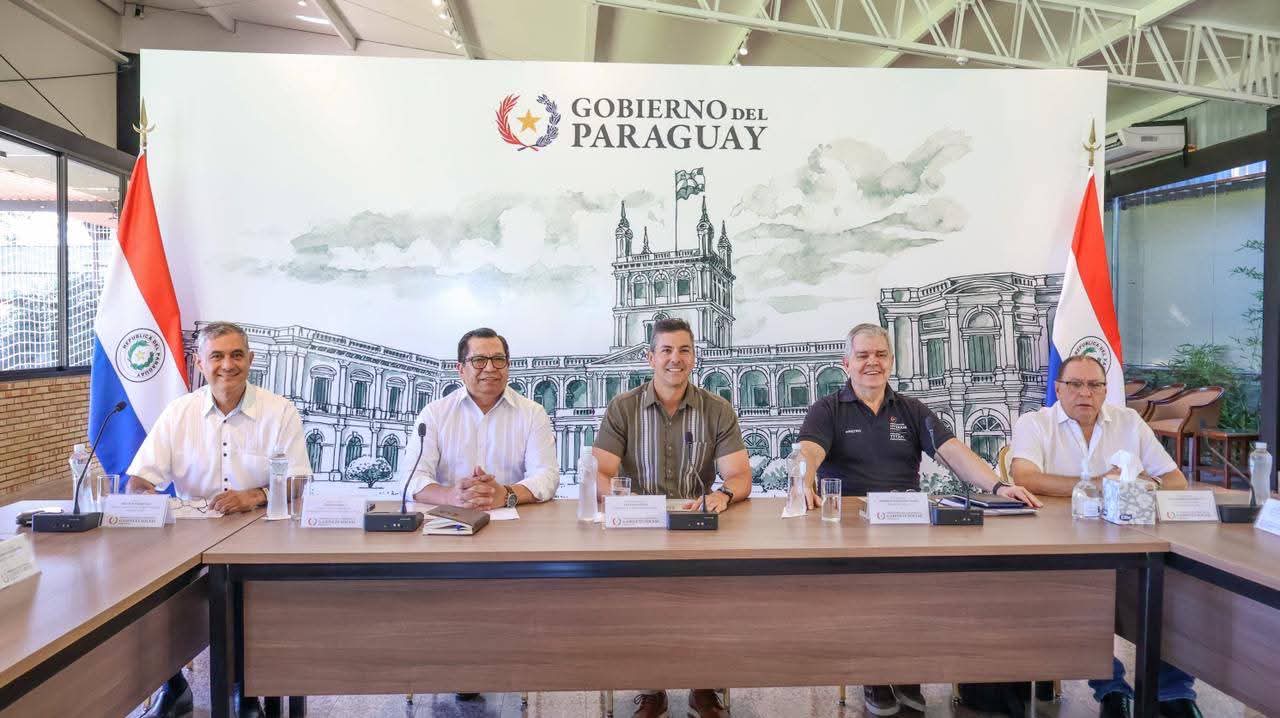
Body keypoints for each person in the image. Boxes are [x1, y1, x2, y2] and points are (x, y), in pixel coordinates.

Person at [794, 322, 1041, 717]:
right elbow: (809, 451)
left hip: (904, 522)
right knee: (868, 588)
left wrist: (998, 487)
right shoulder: (827, 409)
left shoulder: (912, 409)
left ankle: (909, 670)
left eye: (880, 355)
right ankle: (875, 673)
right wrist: (803, 479)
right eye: (863, 355)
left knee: (926, 588)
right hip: (850, 529)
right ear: (847, 363)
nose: (872, 362)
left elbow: (953, 452)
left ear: (891, 361)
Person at [127, 321, 311, 718]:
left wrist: (254, 496)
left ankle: (247, 692)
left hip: (259, 531)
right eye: (217, 356)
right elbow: (139, 482)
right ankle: (172, 686)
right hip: (190, 536)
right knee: (152, 590)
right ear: (200, 363)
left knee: (250, 596)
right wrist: (153, 503)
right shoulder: (179, 412)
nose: (227, 365)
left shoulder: (279, 411)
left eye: (236, 355)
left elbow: (297, 483)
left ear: (250, 360)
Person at [1010, 354, 1198, 718]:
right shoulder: (1035, 423)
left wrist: (1141, 483)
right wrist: (1097, 484)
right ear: (1058, 388)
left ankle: (1173, 693)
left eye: (1095, 385)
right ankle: (1111, 689)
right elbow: (1026, 478)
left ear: (1105, 389)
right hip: (1057, 544)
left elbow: (1176, 480)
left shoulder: (1128, 422)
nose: (1086, 393)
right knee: (1073, 598)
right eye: (1075, 384)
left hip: (1127, 539)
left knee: (1171, 589)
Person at [593, 317, 752, 718]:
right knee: (643, 607)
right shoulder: (622, 407)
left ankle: (703, 687)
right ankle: (651, 688)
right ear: (650, 357)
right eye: (666, 350)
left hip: (694, 524)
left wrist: (723, 494)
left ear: (694, 358)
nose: (675, 359)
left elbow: (739, 475)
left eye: (684, 350)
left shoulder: (716, 409)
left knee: (706, 604)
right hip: (637, 528)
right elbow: (600, 472)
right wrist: (619, 497)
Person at [408, 327, 558, 514]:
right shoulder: (434, 413)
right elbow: (413, 477)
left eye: (498, 359)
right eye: (479, 360)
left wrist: (505, 494)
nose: (490, 368)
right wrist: (450, 496)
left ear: (507, 365)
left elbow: (546, 476)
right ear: (461, 369)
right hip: (447, 526)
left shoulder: (533, 413)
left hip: (515, 528)